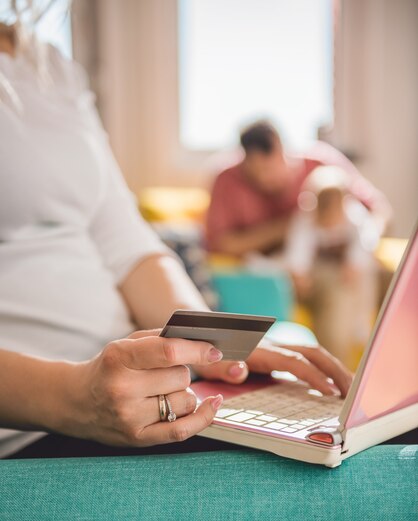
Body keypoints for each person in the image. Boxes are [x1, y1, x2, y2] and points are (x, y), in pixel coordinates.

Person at [0, 11, 352, 459]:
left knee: (364, 433)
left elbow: (126, 241)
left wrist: (215, 346)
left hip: (138, 386)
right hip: (35, 426)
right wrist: (75, 399)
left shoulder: (47, 64)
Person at [205, 121, 391, 256]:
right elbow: (220, 243)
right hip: (275, 268)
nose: (262, 179)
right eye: (254, 173)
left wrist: (361, 245)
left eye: (268, 169)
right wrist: (284, 229)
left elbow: (380, 210)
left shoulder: (321, 163)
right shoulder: (228, 179)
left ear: (280, 148)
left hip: (337, 260)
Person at [286, 166, 379, 365]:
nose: (329, 212)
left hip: (350, 273)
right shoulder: (306, 219)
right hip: (320, 274)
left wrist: (354, 263)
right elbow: (298, 250)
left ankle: (361, 325)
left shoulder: (355, 218)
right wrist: (300, 273)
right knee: (339, 294)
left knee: (367, 277)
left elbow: (364, 242)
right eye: (324, 205)